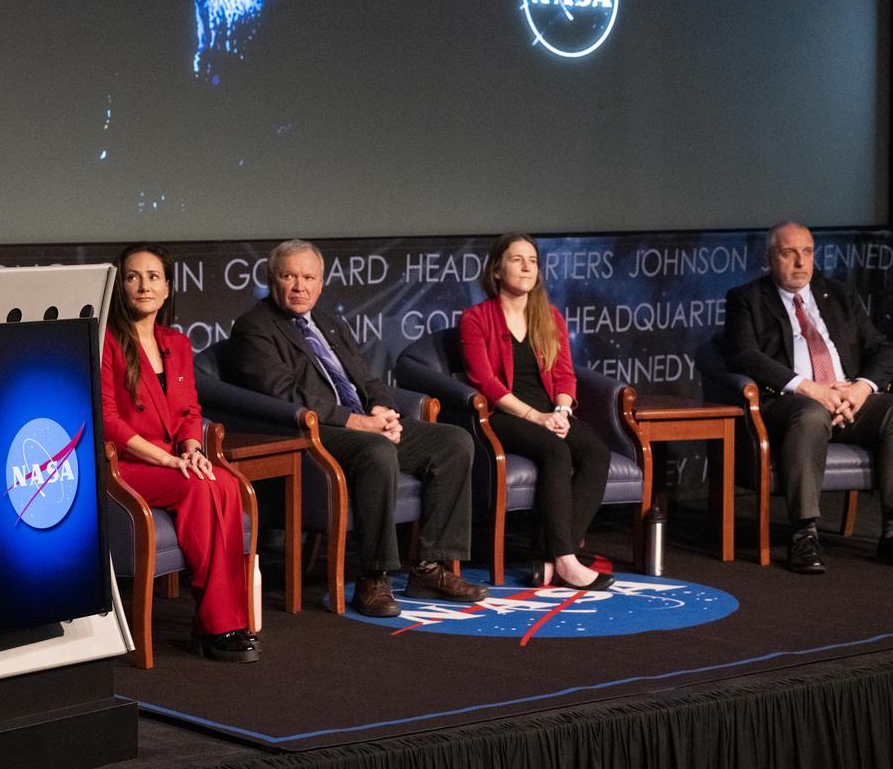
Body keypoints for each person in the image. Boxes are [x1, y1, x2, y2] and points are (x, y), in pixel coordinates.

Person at [228, 239, 487, 618]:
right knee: (377, 451)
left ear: (320, 283)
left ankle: (431, 567)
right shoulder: (254, 328)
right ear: (272, 279)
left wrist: (383, 409)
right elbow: (283, 394)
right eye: (289, 276)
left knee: (453, 440)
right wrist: (360, 423)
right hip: (313, 433)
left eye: (308, 277)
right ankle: (373, 577)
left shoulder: (330, 323)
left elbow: (365, 377)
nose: (299, 286)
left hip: (361, 423)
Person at [723, 222, 893, 574]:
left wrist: (860, 389)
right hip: (790, 403)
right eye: (789, 253)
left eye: (807, 252)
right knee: (810, 415)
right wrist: (808, 387)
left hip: (849, 399)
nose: (800, 262)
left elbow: (880, 348)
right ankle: (804, 535)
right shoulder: (747, 299)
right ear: (769, 258)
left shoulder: (838, 295)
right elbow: (743, 354)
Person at [101, 244, 259, 662]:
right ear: (119, 286)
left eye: (153, 277)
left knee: (222, 483)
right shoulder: (107, 343)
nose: (143, 285)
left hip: (172, 460)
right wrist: (167, 460)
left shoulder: (177, 342)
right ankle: (218, 625)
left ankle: (218, 622)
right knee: (199, 489)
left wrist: (191, 449)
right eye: (133, 276)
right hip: (125, 466)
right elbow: (108, 419)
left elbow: (190, 410)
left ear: (168, 288)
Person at [459, 232, 614, 591]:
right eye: (517, 259)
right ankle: (566, 560)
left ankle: (556, 559)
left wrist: (560, 409)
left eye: (533, 260)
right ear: (497, 269)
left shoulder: (550, 317)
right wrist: (536, 417)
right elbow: (485, 382)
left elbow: (564, 374)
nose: (527, 266)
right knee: (555, 451)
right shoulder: (476, 318)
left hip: (549, 412)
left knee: (595, 451)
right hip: (504, 416)